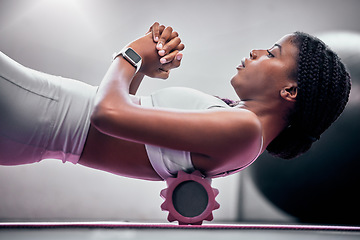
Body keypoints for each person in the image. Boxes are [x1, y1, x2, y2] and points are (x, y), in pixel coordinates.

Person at [0, 23, 351, 181]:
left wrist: (133, 54)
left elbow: (106, 114)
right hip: (33, 116)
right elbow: (124, 128)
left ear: (290, 91)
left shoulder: (244, 130)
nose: (257, 52)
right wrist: (145, 69)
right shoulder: (239, 126)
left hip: (36, 113)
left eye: (272, 54)